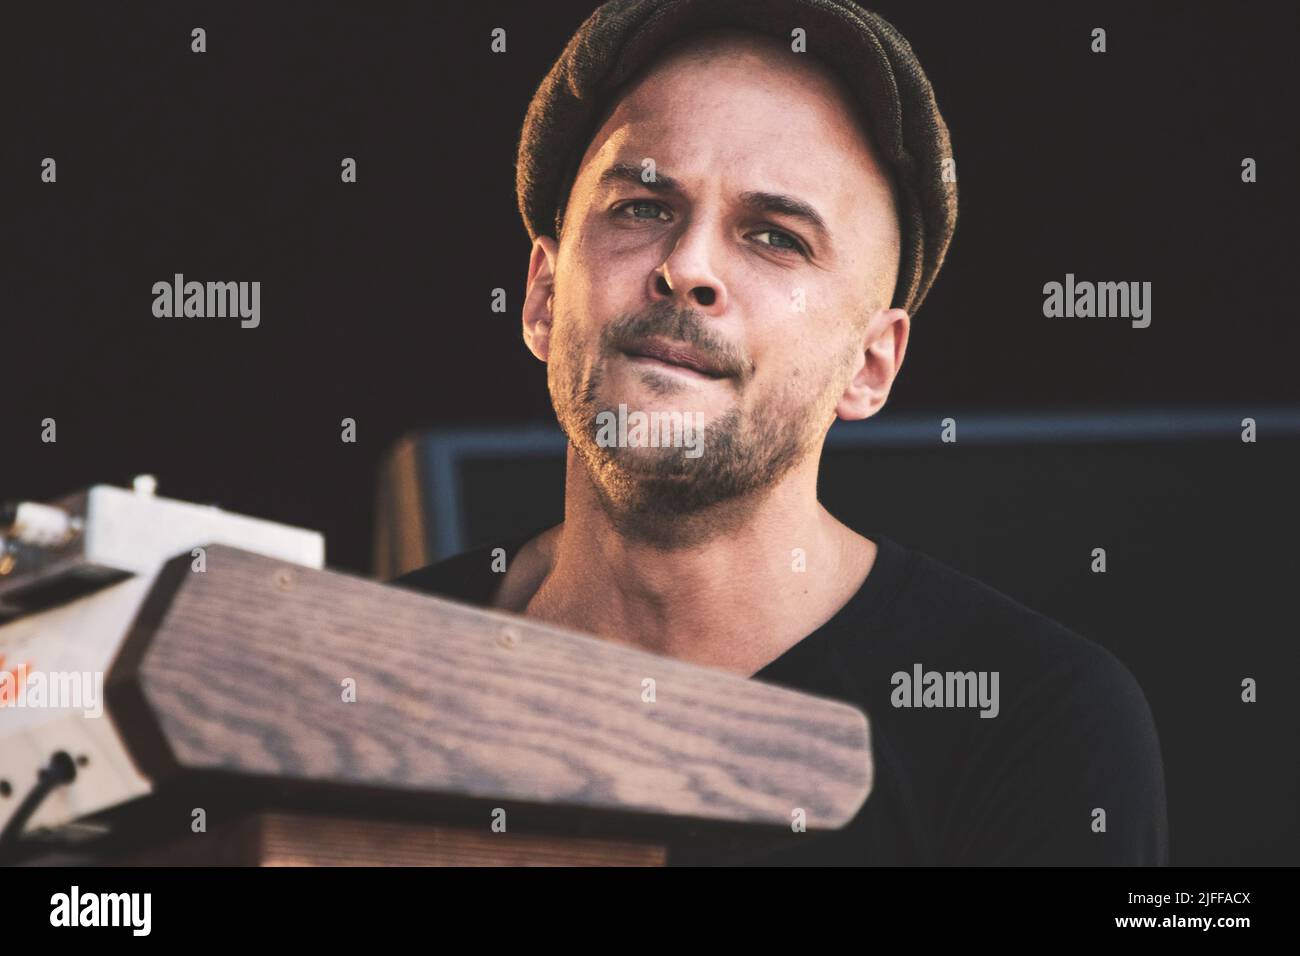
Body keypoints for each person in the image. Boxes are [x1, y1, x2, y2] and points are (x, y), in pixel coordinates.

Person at [396, 0, 1168, 865]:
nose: (686, 267)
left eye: (775, 237)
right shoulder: (371, 667)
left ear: (869, 366)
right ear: (542, 295)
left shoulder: (1033, 723)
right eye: (642, 206)